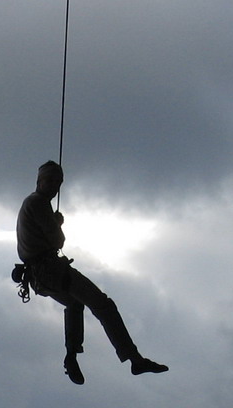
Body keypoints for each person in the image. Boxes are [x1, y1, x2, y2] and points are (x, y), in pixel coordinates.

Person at [16, 161, 167, 384]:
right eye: (51, 181)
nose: (55, 187)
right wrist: (57, 224)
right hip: (50, 270)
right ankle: (134, 359)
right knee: (103, 304)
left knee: (75, 304)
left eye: (58, 183)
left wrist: (54, 223)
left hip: (40, 278)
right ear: (39, 181)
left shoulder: (31, 203)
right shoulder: (37, 203)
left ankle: (71, 356)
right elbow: (58, 240)